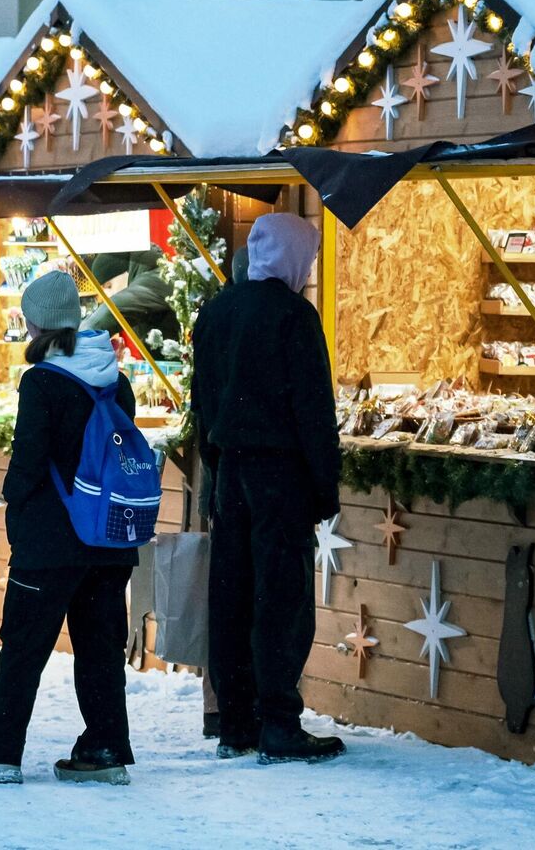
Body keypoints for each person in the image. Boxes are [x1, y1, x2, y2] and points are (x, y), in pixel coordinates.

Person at [0, 272, 138, 786]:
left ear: (35, 321)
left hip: (51, 539)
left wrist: (13, 504)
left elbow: (29, 461)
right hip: (108, 539)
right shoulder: (115, 378)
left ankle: (1, 753)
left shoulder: (43, 380)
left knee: (24, 644)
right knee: (100, 649)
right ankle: (104, 749)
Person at [191, 212, 345, 764]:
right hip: (281, 477)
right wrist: (324, 488)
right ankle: (278, 720)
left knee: (231, 593)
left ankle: (235, 719)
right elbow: (313, 410)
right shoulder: (293, 316)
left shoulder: (216, 312)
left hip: (229, 470)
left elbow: (202, 403)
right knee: (279, 599)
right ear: (294, 256)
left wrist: (215, 468)